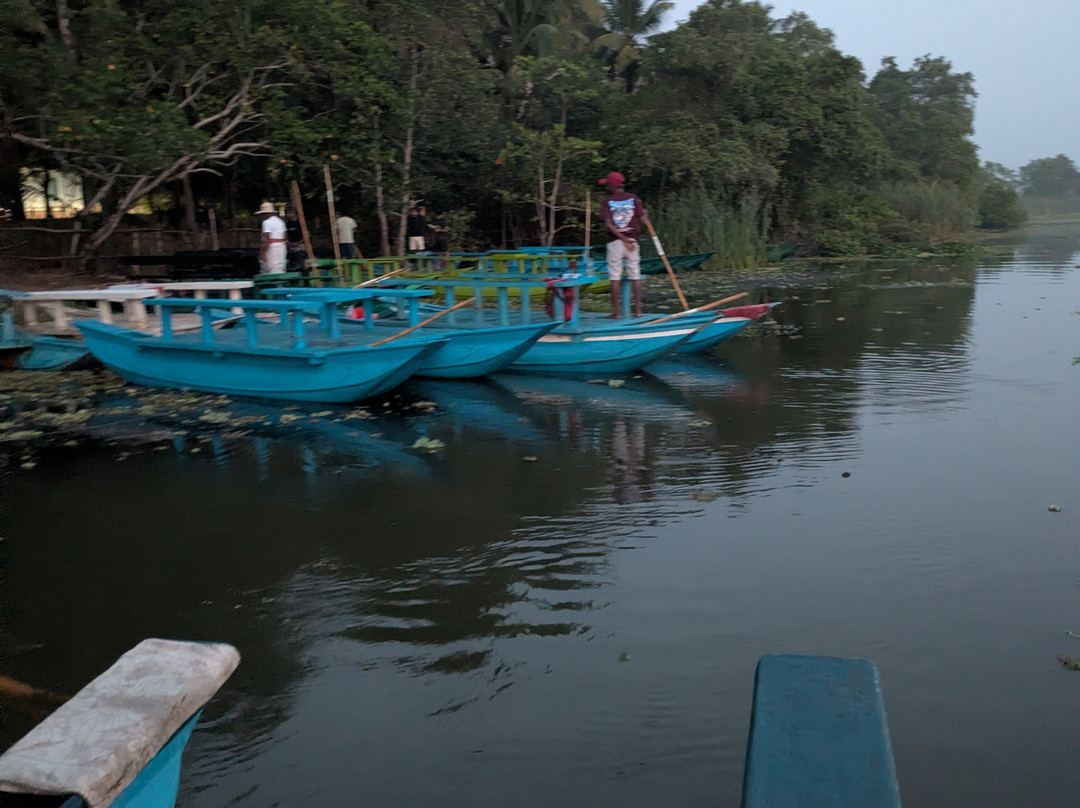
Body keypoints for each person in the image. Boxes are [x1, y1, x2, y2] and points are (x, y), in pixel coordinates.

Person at [599, 171, 646, 318]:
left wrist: (623, 238)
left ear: (613, 185)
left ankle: (616, 313)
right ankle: (638, 312)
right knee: (635, 275)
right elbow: (644, 220)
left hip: (616, 243)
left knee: (615, 277)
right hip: (631, 241)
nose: (606, 186)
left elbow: (608, 224)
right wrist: (632, 237)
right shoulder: (634, 199)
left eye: (607, 184)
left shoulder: (608, 200)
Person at [257, 201, 287, 274]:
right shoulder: (280, 221)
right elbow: (285, 235)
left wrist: (262, 253)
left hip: (272, 247)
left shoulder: (266, 222)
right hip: (281, 246)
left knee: (270, 268)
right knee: (280, 267)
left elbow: (267, 239)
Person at [284, 208, 306, 273]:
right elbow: (286, 234)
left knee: (301, 262)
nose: (289, 215)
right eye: (288, 213)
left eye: (291, 213)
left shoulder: (301, 223)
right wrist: (288, 242)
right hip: (291, 245)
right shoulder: (288, 224)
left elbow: (306, 235)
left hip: (300, 245)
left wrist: (299, 243)